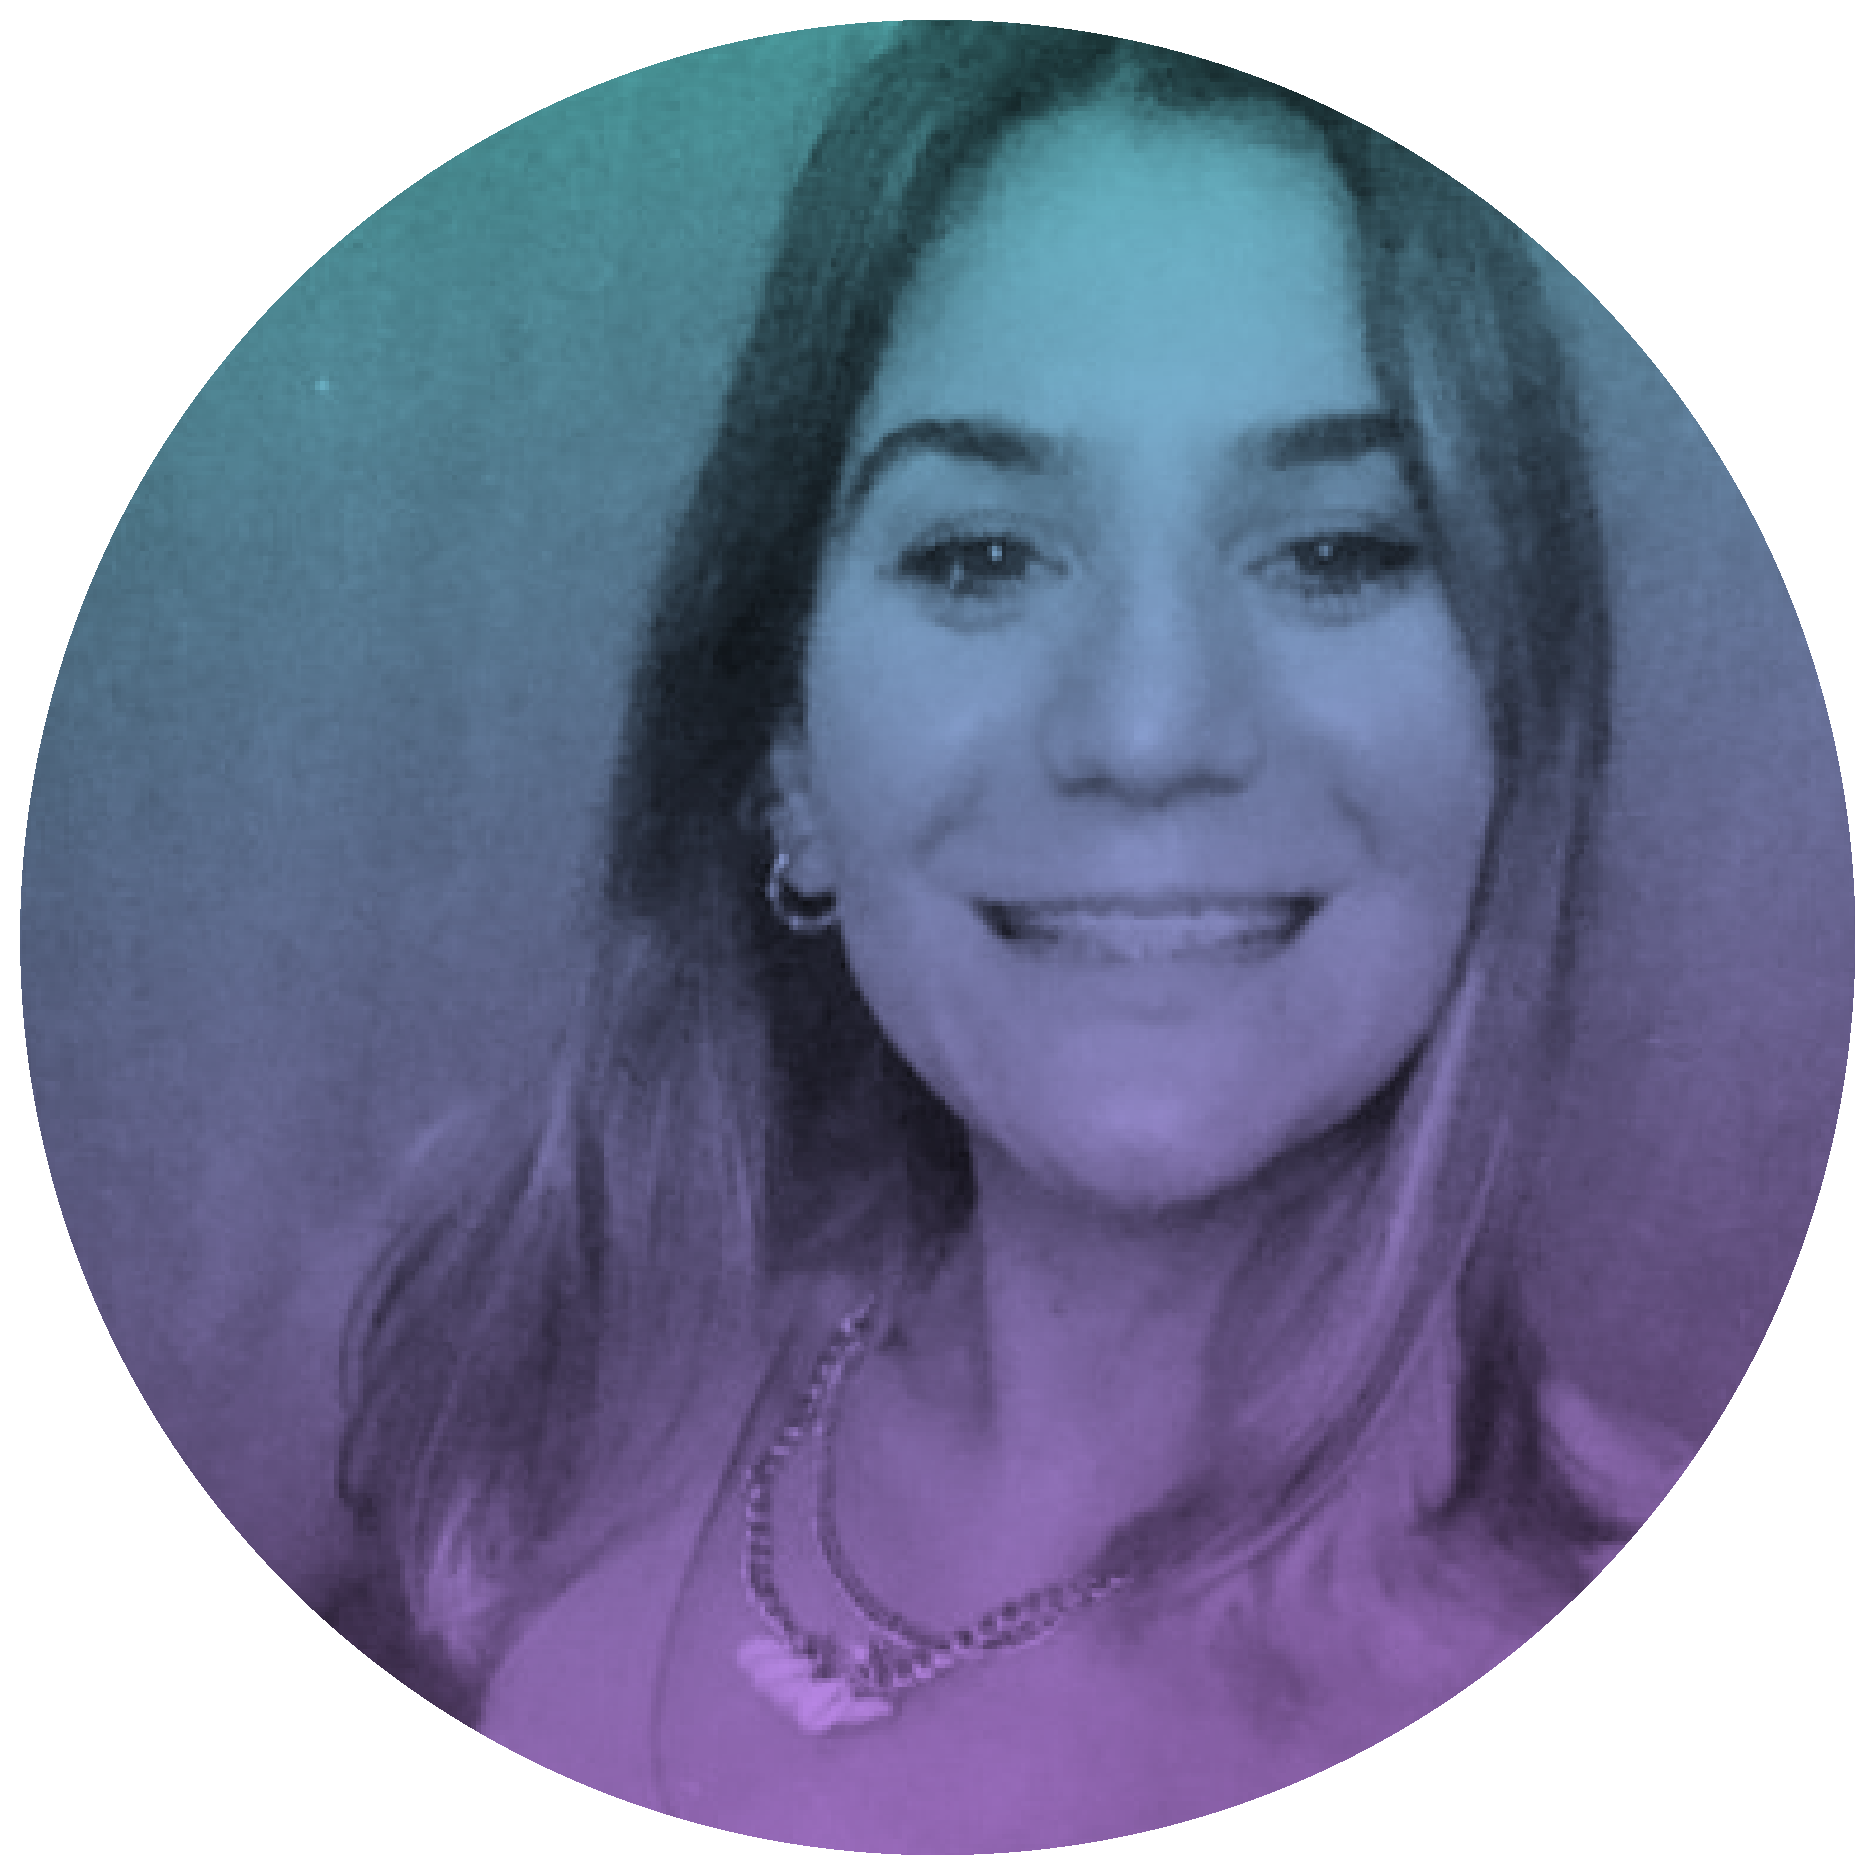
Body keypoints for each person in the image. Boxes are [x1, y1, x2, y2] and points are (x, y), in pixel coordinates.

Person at [326, 22, 1686, 1853]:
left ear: (1521, 729)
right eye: (979, 556)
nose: (1148, 728)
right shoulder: (531, 1426)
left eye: (1339, 552)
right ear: (788, 760)